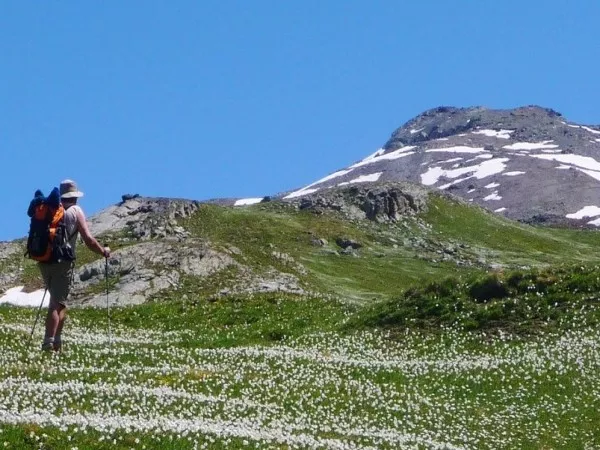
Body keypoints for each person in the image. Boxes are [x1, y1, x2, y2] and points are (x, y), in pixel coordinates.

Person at [39, 179, 110, 352]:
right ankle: (49, 343)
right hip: (63, 262)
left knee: (59, 302)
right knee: (57, 303)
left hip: (44, 260)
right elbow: (88, 239)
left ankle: (57, 342)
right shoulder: (75, 211)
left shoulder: (51, 209)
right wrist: (103, 251)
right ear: (75, 196)